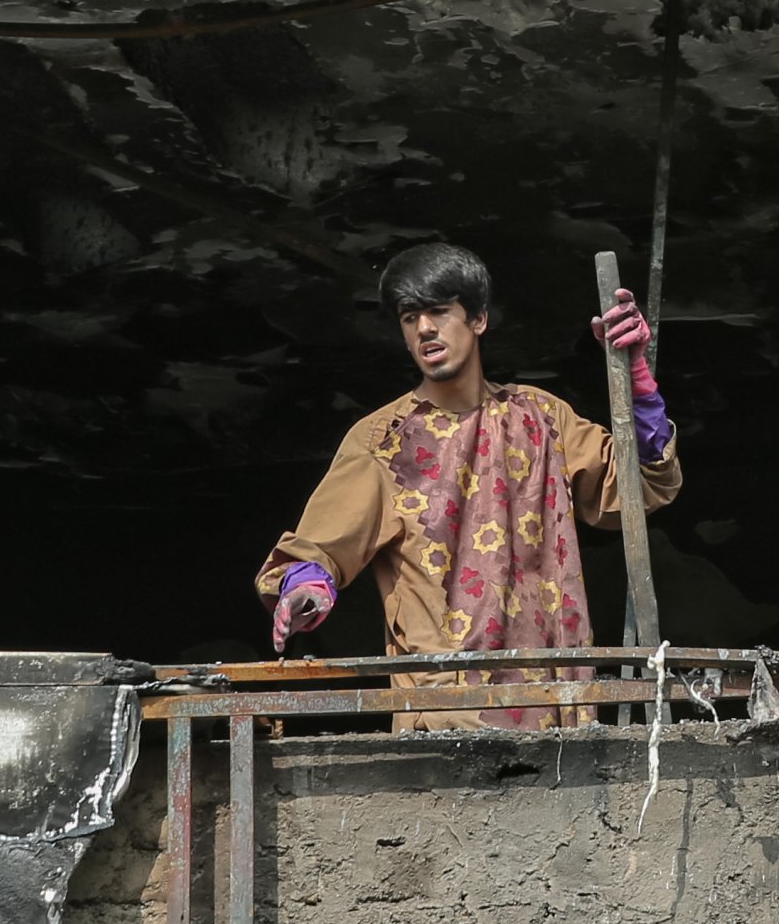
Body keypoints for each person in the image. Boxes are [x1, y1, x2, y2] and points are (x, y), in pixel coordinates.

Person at [256, 241, 681, 718]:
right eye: (409, 317)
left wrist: (639, 381)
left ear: (478, 319)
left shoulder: (541, 418)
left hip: (556, 707)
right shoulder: (384, 439)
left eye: (439, 311)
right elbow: (323, 544)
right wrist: (306, 586)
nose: (425, 328)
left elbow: (636, 486)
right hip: (446, 713)